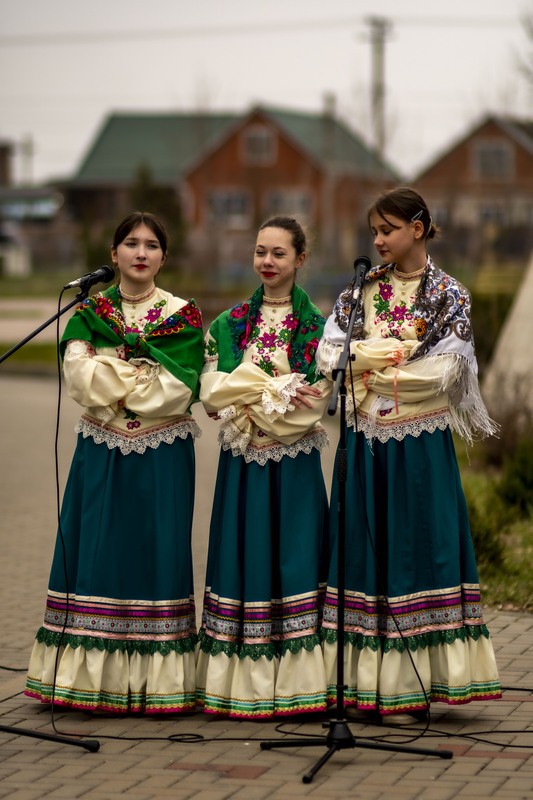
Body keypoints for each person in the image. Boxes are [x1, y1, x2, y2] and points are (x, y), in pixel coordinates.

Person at [317, 187, 501, 723]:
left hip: (419, 447)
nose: (377, 241)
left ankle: (413, 686)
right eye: (374, 232)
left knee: (417, 549)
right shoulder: (359, 291)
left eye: (387, 230)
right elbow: (331, 354)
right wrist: (377, 369)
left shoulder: (450, 295)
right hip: (364, 443)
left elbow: (447, 374)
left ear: (417, 228)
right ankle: (364, 685)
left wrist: (373, 375)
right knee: (364, 556)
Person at [25, 211, 204, 714]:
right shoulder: (89, 311)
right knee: (99, 549)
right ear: (113, 254)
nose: (141, 252)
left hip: (162, 454)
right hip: (102, 451)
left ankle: (157, 684)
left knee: (155, 551)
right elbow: (80, 379)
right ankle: (91, 681)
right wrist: (137, 375)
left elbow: (179, 388)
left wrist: (115, 372)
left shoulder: (182, 314)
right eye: (130, 243)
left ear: (164, 257)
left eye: (151, 244)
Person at [196, 216, 332, 718]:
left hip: (291, 462)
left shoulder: (319, 327)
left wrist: (253, 391)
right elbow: (211, 390)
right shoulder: (228, 324)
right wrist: (270, 388)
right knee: (243, 553)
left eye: (278, 253)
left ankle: (298, 683)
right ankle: (240, 684)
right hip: (243, 462)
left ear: (300, 259)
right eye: (260, 252)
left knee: (292, 556)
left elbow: (313, 401)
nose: (267, 262)